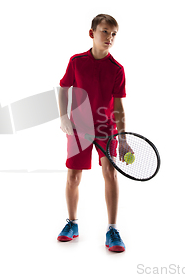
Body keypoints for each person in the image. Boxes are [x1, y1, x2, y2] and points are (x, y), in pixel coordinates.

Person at [57, 14, 130, 252]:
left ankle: (112, 229)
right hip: (79, 127)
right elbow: (63, 88)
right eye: (105, 31)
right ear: (92, 33)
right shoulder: (76, 61)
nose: (109, 37)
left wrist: (123, 138)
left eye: (113, 34)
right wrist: (64, 117)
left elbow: (118, 107)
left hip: (106, 129)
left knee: (110, 173)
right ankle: (72, 224)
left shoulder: (117, 69)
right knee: (73, 177)